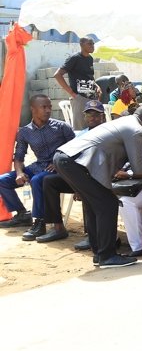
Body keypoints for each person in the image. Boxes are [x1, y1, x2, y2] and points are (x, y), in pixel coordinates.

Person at [52, 108, 142, 268]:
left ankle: (99, 254)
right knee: (108, 204)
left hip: (66, 158)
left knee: (95, 205)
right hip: (76, 162)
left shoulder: (123, 122)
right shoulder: (137, 130)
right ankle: (107, 256)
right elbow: (139, 168)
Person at [0, 95, 76, 239]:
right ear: (33, 109)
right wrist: (19, 173)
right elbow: (19, 157)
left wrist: (59, 162)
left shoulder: (62, 127)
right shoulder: (25, 132)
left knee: (37, 180)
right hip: (38, 166)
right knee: (2, 180)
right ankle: (22, 214)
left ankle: (39, 222)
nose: (48, 110)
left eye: (49, 107)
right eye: (44, 107)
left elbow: (77, 149)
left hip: (58, 168)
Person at [35, 100, 107, 244]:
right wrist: (75, 185)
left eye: (96, 115)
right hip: (79, 177)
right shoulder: (81, 135)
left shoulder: (108, 133)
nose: (92, 118)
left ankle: (91, 235)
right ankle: (58, 227)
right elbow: (71, 157)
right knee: (49, 181)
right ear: (84, 117)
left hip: (98, 177)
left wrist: (79, 187)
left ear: (103, 117)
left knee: (87, 189)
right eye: (89, 115)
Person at [53, 36, 98, 130]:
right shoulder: (74, 58)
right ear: (81, 45)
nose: (92, 46)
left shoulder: (90, 59)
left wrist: (97, 87)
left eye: (93, 44)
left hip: (91, 98)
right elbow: (57, 75)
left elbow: (89, 77)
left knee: (93, 129)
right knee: (81, 129)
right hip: (80, 98)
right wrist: (72, 94)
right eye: (90, 43)